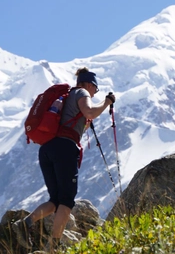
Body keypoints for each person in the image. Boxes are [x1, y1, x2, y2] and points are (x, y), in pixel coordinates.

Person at [12, 67, 116, 251]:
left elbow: (76, 123)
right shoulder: (82, 92)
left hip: (47, 149)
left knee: (55, 201)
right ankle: (54, 246)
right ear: (89, 84)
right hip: (65, 148)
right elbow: (90, 113)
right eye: (95, 89)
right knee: (66, 201)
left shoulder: (66, 97)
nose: (94, 92)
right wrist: (106, 102)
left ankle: (25, 223)